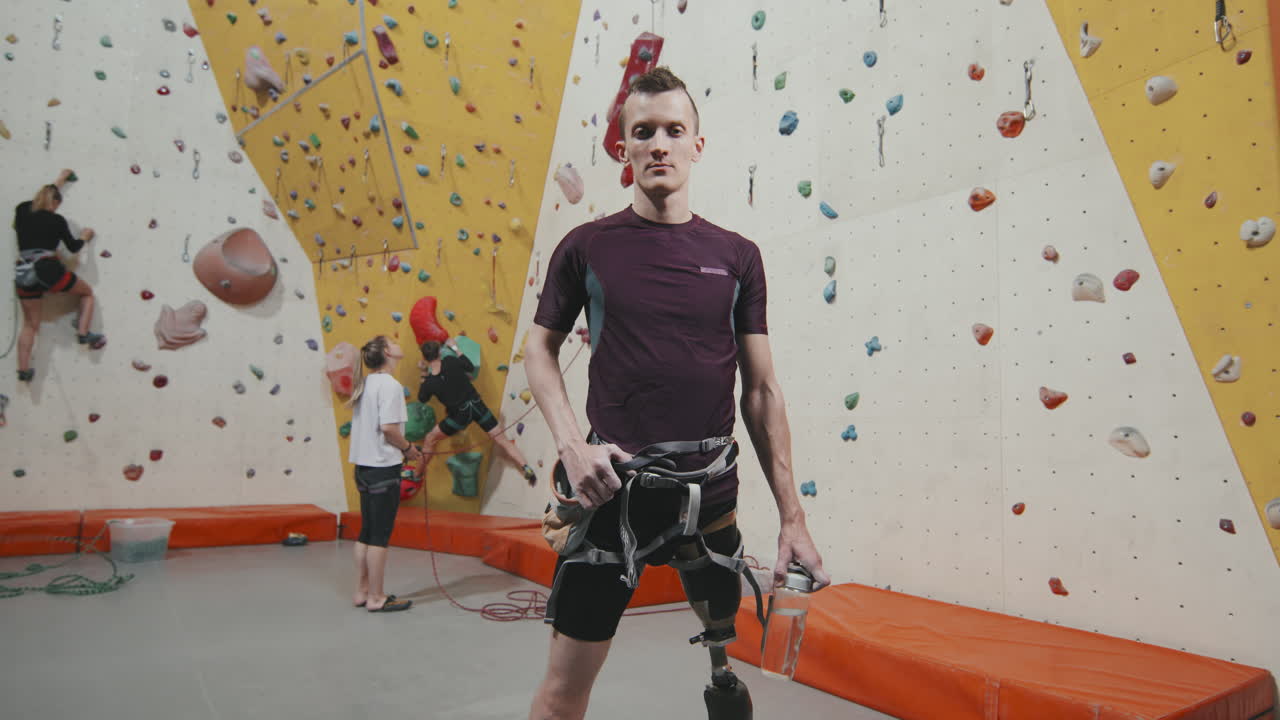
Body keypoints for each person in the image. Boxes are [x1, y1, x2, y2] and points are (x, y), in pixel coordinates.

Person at [524, 66, 831, 720]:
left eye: (673, 130)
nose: (659, 144)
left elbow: (763, 390)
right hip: (613, 494)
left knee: (721, 630)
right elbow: (539, 350)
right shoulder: (585, 248)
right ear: (623, 150)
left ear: (697, 144)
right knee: (561, 691)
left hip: (709, 496)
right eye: (644, 133)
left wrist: (792, 516)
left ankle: (720, 675)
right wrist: (572, 446)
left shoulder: (739, 256)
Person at [348, 335, 420, 613]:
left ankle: (362, 591)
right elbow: (389, 428)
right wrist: (409, 449)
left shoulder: (365, 384)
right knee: (379, 537)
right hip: (382, 469)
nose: (398, 343)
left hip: (363, 468)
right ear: (389, 352)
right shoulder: (390, 386)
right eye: (394, 341)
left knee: (366, 533)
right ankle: (377, 597)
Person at [13, 169, 104, 382]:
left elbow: (45, 196)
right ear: (54, 203)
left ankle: (23, 370)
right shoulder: (57, 221)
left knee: (29, 324)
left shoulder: (22, 210)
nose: (57, 209)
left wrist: (60, 181)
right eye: (57, 204)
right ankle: (83, 333)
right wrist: (85, 236)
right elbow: (73, 248)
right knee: (87, 293)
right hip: (48, 270)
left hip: (24, 272)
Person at [417, 337, 538, 485]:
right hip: (477, 406)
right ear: (439, 352)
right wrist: (455, 348)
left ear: (425, 358)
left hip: (459, 417)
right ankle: (525, 467)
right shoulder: (450, 361)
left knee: (430, 438)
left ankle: (417, 474)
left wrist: (423, 373)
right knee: (502, 440)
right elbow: (468, 366)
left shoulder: (429, 383)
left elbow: (422, 398)